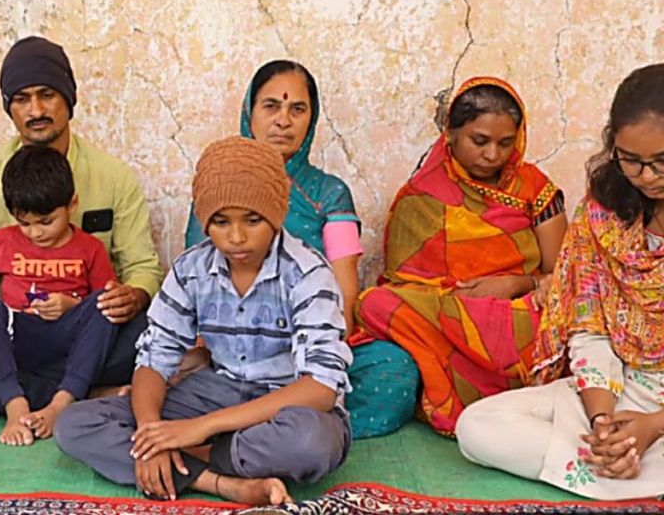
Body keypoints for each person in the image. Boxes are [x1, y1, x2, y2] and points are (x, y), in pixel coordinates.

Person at [55, 137, 352, 507]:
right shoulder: (191, 270)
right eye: (221, 222)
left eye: (253, 220)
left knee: (310, 443)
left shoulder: (308, 273)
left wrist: (199, 429)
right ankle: (224, 484)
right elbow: (154, 360)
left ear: (277, 214)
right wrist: (151, 433)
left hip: (286, 402)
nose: (237, 237)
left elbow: (321, 388)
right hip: (215, 390)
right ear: (205, 220)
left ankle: (194, 455)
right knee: (74, 424)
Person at [0, 36, 164, 420]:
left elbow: (142, 266)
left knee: (146, 333)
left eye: (47, 95)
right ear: (9, 107)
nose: (36, 110)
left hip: (84, 335)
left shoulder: (113, 177)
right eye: (22, 99)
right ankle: (85, 393)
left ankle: (7, 393)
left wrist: (132, 297)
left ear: (69, 99)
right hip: (11, 337)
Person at [457, 64, 664, 499]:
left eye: (661, 162)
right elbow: (590, 327)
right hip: (620, 387)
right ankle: (616, 462)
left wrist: (652, 427)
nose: (646, 176)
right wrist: (602, 422)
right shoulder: (602, 214)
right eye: (631, 160)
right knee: (476, 426)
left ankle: (618, 465)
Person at [184, 60, 417, 439]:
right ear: (249, 112)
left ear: (312, 118)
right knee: (163, 360)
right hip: (232, 344)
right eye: (271, 106)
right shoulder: (219, 187)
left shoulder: (330, 194)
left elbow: (345, 290)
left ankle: (254, 420)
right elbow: (197, 286)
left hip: (309, 341)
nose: (283, 121)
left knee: (394, 371)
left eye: (297, 109)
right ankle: (291, 421)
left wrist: (320, 351)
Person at [356, 76, 568, 435]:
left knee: (557, 318)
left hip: (516, 314)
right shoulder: (419, 196)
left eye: (505, 143)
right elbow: (404, 283)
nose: (492, 155)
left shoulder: (536, 189)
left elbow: (562, 276)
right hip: (448, 313)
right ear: (450, 134)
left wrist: (515, 284)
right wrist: (457, 300)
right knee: (374, 303)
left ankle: (485, 390)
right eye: (480, 141)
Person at [0, 145, 117, 445]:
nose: (35, 233)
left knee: (116, 313)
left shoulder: (91, 248)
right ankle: (15, 404)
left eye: (46, 221)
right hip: (15, 341)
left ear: (72, 204)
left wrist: (71, 305)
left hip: (70, 344)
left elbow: (106, 303)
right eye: (25, 223)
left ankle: (60, 402)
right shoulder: (5, 241)